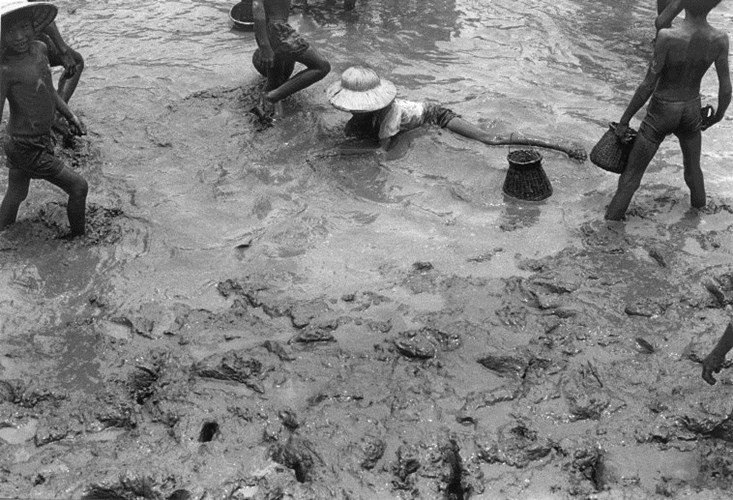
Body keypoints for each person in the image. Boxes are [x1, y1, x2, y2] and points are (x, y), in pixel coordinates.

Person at [605, 0, 731, 221]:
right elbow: (726, 87)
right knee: (694, 171)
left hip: (661, 111)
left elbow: (647, 86)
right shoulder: (720, 39)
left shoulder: (667, 37)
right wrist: (718, 116)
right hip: (691, 108)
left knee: (631, 177)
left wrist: (625, 120)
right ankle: (698, 216)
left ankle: (610, 225)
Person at [326, 66, 587, 159]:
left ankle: (560, 146)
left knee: (489, 139)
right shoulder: (360, 116)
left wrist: (340, 153)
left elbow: (383, 152)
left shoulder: (390, 115)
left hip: (436, 115)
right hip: (416, 114)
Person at [0, 0, 88, 237]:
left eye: (25, 27)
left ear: (34, 26)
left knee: (17, 193)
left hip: (35, 140)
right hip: (25, 146)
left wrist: (70, 116)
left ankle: (2, 234)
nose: (19, 36)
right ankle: (78, 240)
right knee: (79, 188)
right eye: (10, 31)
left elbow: (48, 89)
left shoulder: (40, 49)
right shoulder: (5, 69)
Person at [252, 0, 331, 117]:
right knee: (322, 66)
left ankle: (263, 113)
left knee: (275, 81)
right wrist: (265, 46)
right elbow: (257, 5)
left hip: (272, 28)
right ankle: (270, 98)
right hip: (277, 30)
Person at [30, 0, 84, 103]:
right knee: (76, 62)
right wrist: (63, 51)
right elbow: (40, 11)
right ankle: (59, 114)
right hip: (24, 39)